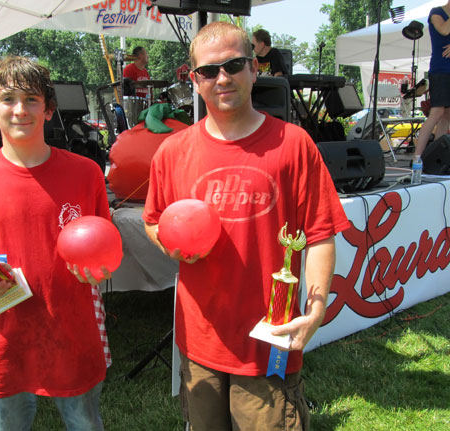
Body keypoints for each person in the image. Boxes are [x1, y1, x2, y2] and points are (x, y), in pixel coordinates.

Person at [142, 22, 350, 430]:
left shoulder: (293, 144)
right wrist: (171, 244)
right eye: (208, 71)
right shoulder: (172, 151)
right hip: (200, 338)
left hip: (269, 336)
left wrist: (316, 307)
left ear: (255, 69)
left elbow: (321, 233)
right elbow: (153, 221)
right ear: (194, 79)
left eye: (234, 65)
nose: (222, 78)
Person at [0, 56, 110, 431]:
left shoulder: (86, 173)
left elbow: (103, 245)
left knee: (86, 424)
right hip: (5, 341)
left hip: (72, 334)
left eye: (31, 99)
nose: (20, 110)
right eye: (8, 99)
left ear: (48, 109)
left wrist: (102, 267)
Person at [413, 0, 450, 158]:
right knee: (437, 111)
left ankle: (437, 156)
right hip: (441, 67)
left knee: (448, 112)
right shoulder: (436, 12)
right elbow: (444, 30)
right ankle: (417, 157)